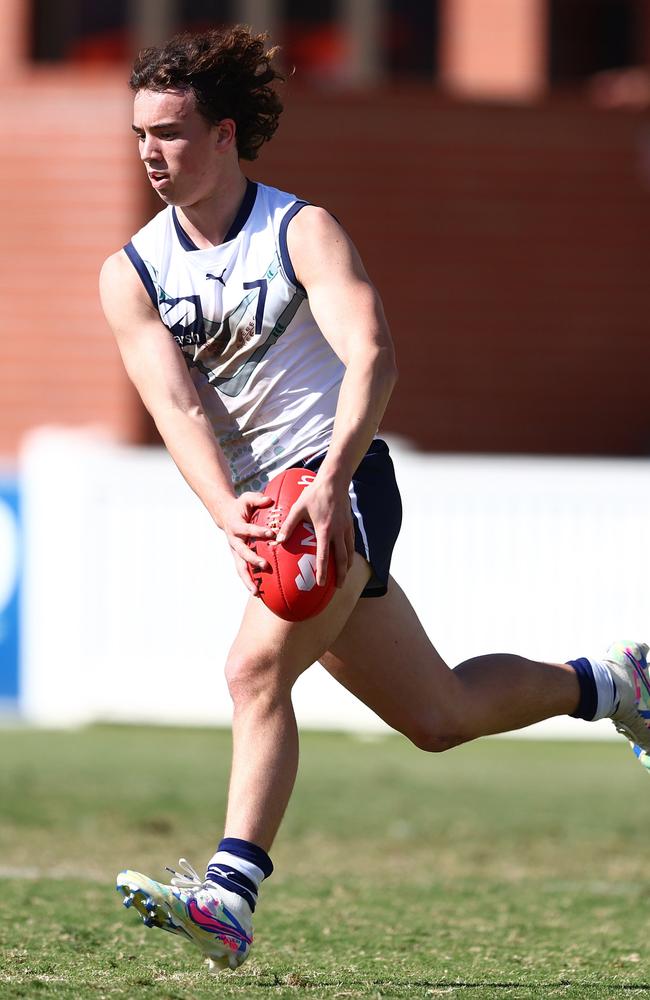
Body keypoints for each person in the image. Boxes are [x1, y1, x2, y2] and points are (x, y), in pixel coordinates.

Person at [99, 25, 650, 974]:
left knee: (251, 673)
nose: (153, 152)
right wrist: (226, 510)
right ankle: (614, 682)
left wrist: (334, 482)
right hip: (266, 507)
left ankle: (229, 897)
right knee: (437, 717)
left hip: (343, 478)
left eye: (173, 133)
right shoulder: (132, 272)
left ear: (227, 134)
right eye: (142, 133)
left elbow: (373, 355)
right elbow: (175, 405)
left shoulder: (298, 229)